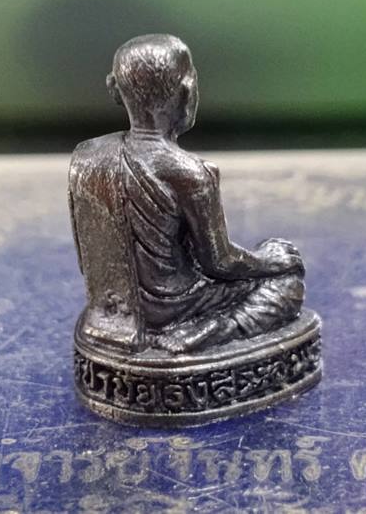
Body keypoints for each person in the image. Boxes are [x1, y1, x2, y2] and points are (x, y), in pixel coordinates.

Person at [69, 34, 305, 354]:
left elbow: (87, 254)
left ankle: (174, 329)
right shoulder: (192, 173)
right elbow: (219, 263)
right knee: (287, 284)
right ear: (187, 91)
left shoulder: (86, 156)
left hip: (115, 311)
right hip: (179, 305)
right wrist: (269, 261)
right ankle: (214, 329)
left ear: (114, 89)